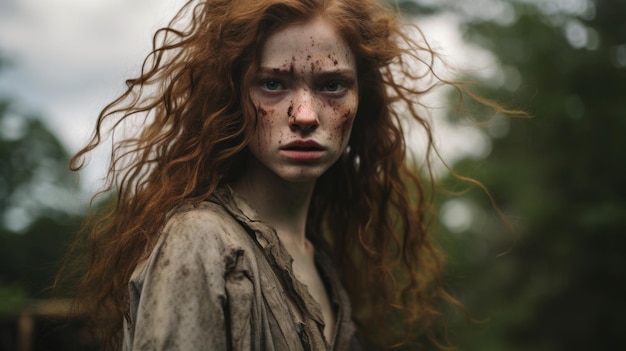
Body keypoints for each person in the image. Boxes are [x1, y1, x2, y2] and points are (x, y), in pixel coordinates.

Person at [62, 0, 514, 350]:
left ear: (362, 101)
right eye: (273, 83)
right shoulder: (200, 242)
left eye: (331, 84)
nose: (304, 115)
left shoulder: (324, 264)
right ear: (234, 97)